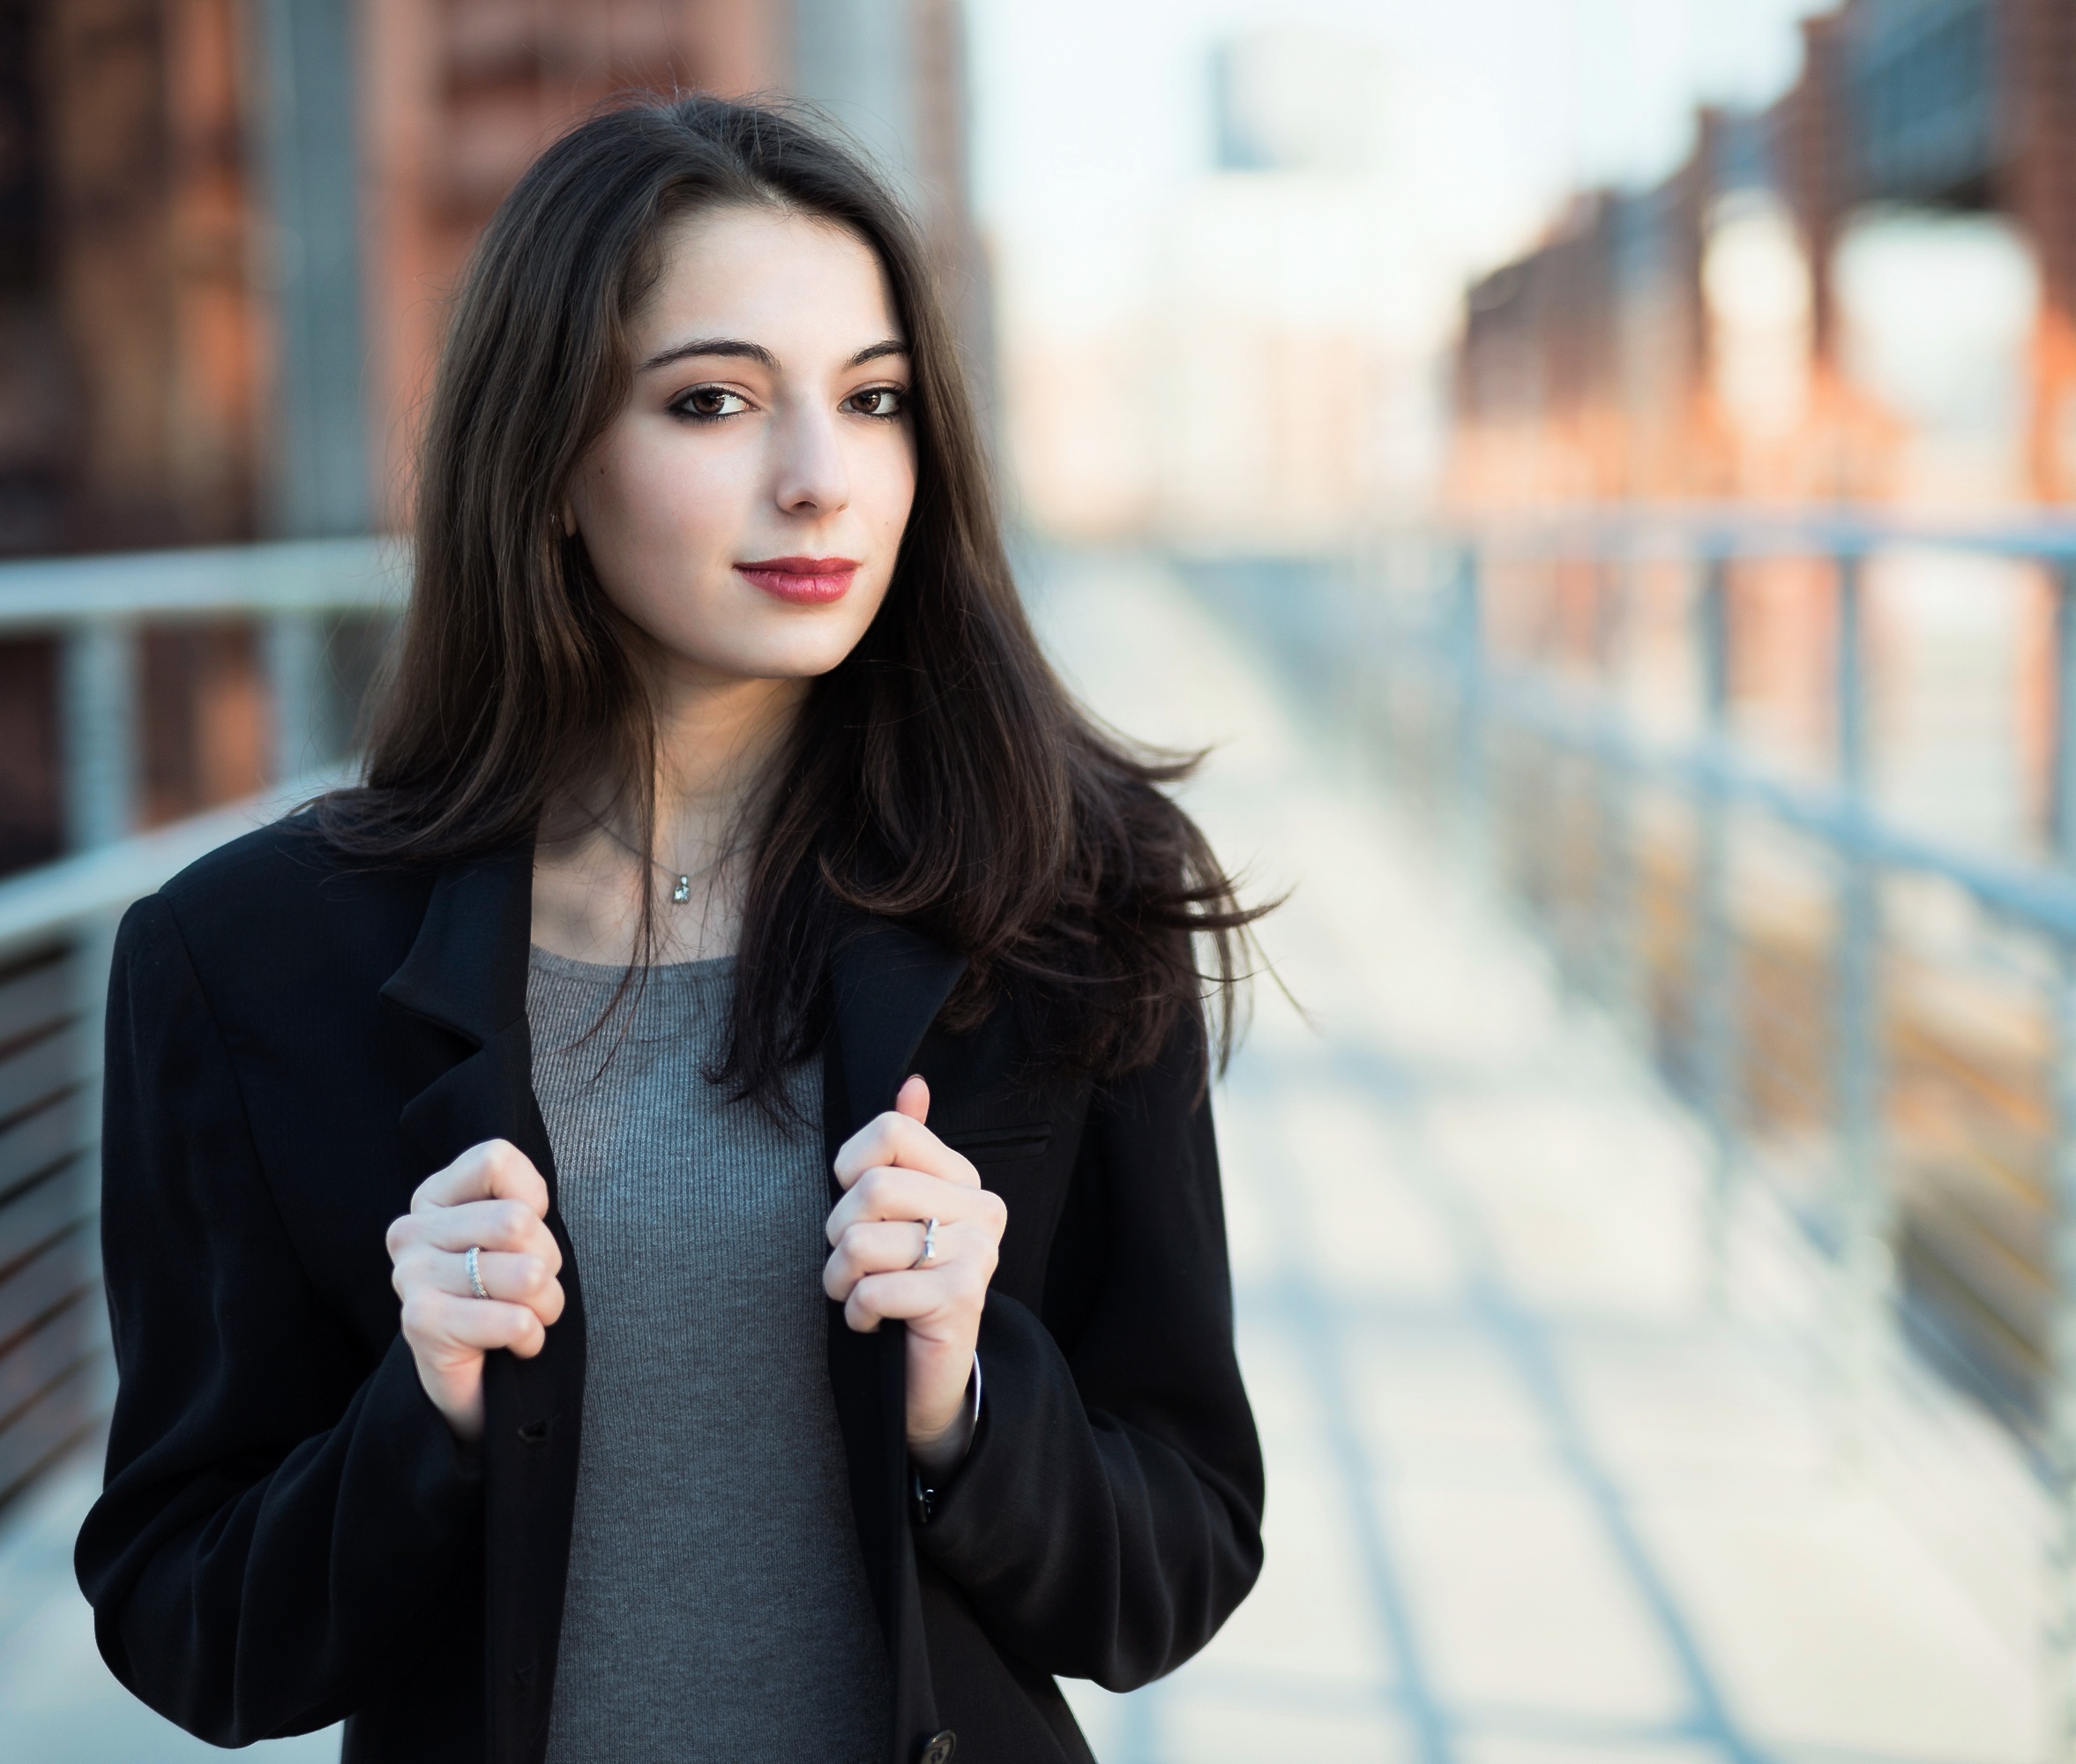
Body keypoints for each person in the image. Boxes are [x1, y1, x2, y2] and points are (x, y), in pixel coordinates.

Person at [73, 94, 1266, 1764]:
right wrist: (420, 1413)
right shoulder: (246, 958)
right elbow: (193, 1630)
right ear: (549, 459)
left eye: (875, 401)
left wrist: (966, 1400)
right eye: (714, 401)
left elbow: (1177, 1565)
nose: (817, 479)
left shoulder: (1072, 903)